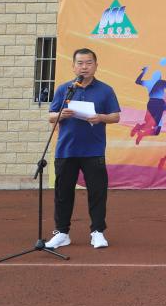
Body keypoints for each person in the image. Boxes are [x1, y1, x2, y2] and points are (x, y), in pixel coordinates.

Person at [44, 48, 121, 250]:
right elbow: (51, 116)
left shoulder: (105, 90)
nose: (84, 67)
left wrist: (101, 117)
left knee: (97, 192)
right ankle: (62, 233)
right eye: (80, 63)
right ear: (73, 66)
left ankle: (97, 232)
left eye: (88, 63)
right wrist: (61, 114)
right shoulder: (64, 89)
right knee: (63, 193)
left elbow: (115, 116)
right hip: (66, 150)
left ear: (96, 66)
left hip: (93, 150)